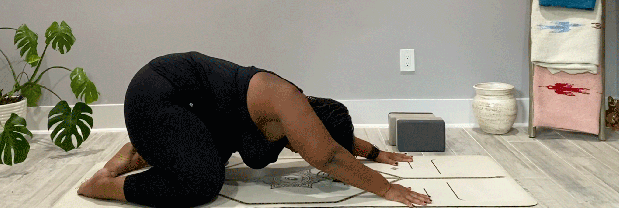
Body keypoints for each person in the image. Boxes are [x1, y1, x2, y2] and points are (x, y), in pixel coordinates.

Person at [77, 52, 432, 207]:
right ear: (312, 129)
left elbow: (337, 143)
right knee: (202, 183)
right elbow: (329, 155)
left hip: (179, 111)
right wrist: (386, 189)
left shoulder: (300, 122)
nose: (308, 155)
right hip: (155, 94)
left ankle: (137, 152)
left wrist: (377, 153)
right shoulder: (287, 101)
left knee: (210, 156)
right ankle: (103, 185)